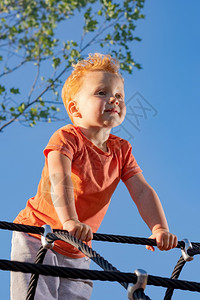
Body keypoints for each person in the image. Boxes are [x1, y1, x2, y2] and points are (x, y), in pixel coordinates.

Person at [11, 53, 177, 300]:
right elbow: (60, 177)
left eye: (119, 95)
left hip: (78, 248)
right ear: (75, 108)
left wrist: (158, 227)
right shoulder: (67, 138)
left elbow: (141, 190)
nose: (114, 98)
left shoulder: (122, 150)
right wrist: (69, 221)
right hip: (38, 234)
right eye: (101, 93)